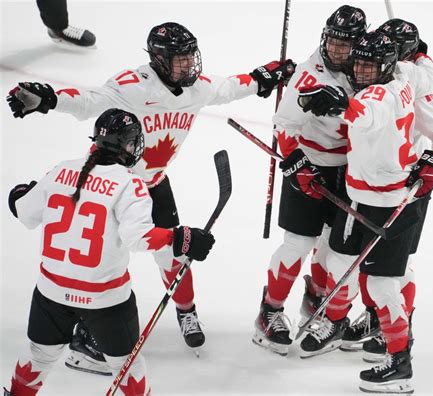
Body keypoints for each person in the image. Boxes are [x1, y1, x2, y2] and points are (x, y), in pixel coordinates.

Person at [6, 21, 295, 373]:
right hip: (113, 188)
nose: (190, 66)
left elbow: (230, 87)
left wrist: (263, 76)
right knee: (100, 266)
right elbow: (88, 101)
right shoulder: (131, 87)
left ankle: (186, 312)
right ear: (159, 59)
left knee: (175, 252)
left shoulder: (197, 88)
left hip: (153, 183)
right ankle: (87, 333)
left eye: (192, 57)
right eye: (181, 59)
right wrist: (49, 98)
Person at [3, 108, 215, 396]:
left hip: (50, 293)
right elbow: (139, 237)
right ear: (127, 145)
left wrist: (20, 193)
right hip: (104, 299)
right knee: (128, 370)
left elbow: (24, 211)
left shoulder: (61, 170)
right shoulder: (129, 183)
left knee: (38, 358)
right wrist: (181, 238)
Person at [297, 30, 433, 393]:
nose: (361, 71)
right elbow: (425, 72)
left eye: (369, 65)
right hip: (357, 197)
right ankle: (335, 323)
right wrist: (423, 55)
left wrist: (341, 105)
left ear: (388, 64)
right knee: (337, 261)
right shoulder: (405, 74)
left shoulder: (381, 92)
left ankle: (400, 363)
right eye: (358, 63)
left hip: (390, 202)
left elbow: (369, 112)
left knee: (381, 284)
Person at [252, 5, 366, 356]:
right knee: (298, 244)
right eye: (331, 42)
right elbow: (283, 124)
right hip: (311, 165)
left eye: (345, 45)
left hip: (350, 171)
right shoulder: (309, 73)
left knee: (335, 247)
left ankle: (317, 301)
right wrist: (297, 164)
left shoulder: (368, 68)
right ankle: (269, 312)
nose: (336, 51)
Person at [349, 18, 433, 362]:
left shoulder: (413, 84)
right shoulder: (391, 74)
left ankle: (394, 334)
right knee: (375, 265)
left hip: (408, 186)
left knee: (394, 268)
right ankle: (376, 320)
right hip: (376, 182)